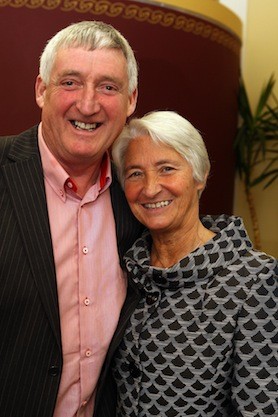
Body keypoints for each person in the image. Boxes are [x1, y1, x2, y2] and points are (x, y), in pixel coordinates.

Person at [0, 20, 144, 417]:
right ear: (41, 90)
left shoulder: (140, 195)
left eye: (108, 87)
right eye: (70, 83)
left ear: (131, 100)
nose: (88, 104)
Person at [94, 110, 278, 416]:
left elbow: (262, 406)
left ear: (199, 175)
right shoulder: (127, 269)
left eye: (166, 168)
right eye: (135, 173)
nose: (150, 188)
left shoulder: (253, 279)